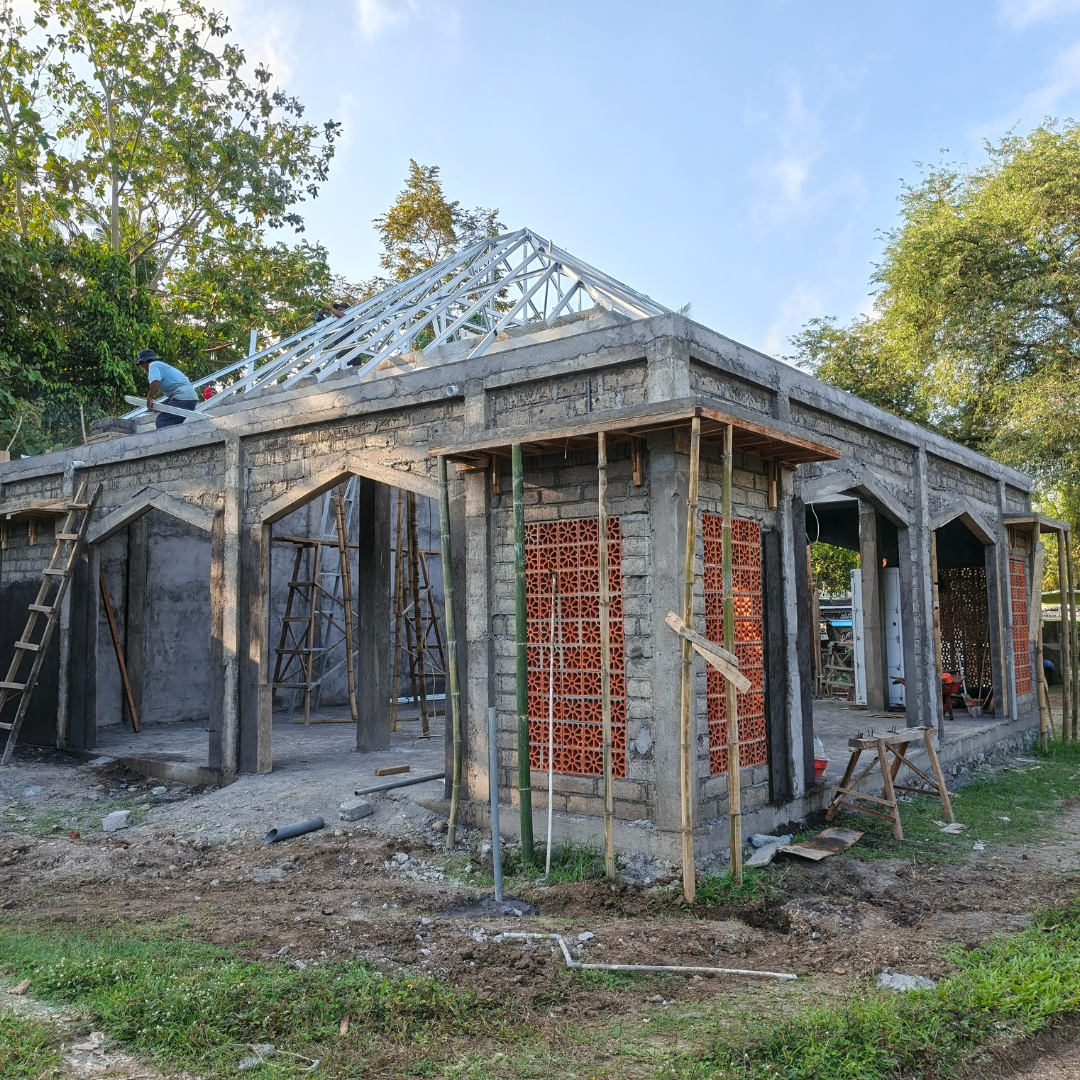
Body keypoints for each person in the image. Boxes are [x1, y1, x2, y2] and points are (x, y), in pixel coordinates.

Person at [136, 349, 198, 429]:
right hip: (191, 400)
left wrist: (149, 398)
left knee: (162, 421)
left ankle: (167, 441)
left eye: (141, 365)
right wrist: (162, 405)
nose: (142, 368)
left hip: (183, 398)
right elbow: (174, 395)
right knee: (173, 425)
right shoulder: (161, 366)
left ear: (145, 362)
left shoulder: (153, 365)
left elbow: (155, 382)